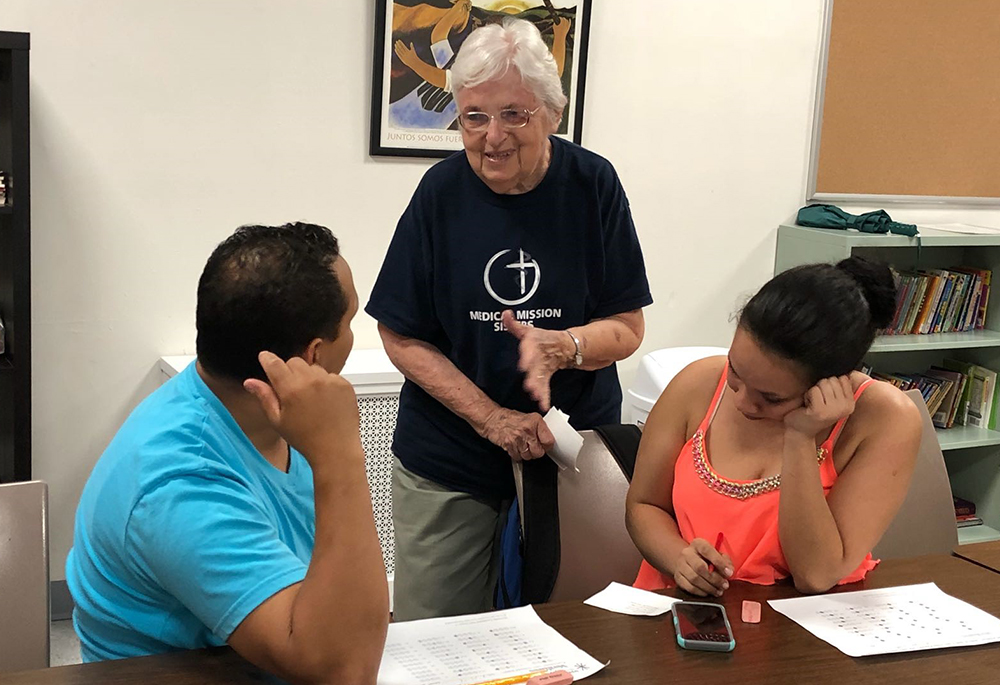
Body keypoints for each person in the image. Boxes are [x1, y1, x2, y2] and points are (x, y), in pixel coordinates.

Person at [366, 17, 652, 621]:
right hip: (451, 459)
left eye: (513, 114)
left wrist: (566, 344)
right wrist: (492, 418)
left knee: (578, 632)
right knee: (440, 639)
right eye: (474, 117)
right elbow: (400, 334)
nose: (492, 137)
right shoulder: (440, 194)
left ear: (553, 113)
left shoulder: (593, 185)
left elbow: (627, 325)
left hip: (573, 459)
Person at [66, 223, 388, 684]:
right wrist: (341, 456)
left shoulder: (266, 413)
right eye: (351, 321)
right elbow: (344, 672)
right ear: (313, 355)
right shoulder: (181, 481)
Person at [626, 256, 922, 596]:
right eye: (735, 371)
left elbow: (816, 574)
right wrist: (678, 558)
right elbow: (644, 505)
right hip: (681, 605)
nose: (742, 402)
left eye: (771, 398)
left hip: (799, 619)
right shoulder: (697, 383)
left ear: (830, 382)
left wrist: (800, 436)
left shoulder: (885, 419)